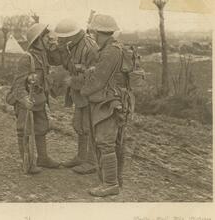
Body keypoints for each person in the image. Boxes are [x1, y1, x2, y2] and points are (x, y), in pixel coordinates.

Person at [80, 14, 135, 197]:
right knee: (111, 143)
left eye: (94, 32)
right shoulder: (110, 49)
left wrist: (82, 89)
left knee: (105, 142)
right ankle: (114, 180)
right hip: (112, 100)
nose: (92, 35)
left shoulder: (111, 51)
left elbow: (99, 80)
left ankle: (110, 183)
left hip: (109, 103)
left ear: (98, 32)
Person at [7, 23, 60, 174]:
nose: (48, 39)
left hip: (39, 99)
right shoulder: (27, 58)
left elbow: (57, 59)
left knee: (42, 128)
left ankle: (42, 158)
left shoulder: (43, 55)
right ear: (38, 40)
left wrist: (54, 45)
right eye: (45, 37)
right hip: (26, 101)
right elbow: (18, 85)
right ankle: (27, 163)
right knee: (24, 131)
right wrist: (24, 100)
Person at [50, 19, 99, 174]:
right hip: (79, 93)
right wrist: (60, 50)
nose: (60, 40)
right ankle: (81, 156)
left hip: (90, 93)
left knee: (90, 126)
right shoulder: (72, 45)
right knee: (79, 125)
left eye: (63, 38)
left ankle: (92, 162)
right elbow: (65, 64)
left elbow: (96, 76)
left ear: (71, 36)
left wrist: (74, 81)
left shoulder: (90, 48)